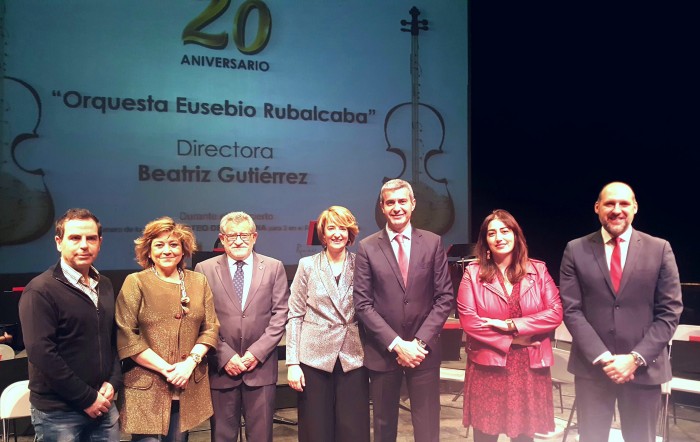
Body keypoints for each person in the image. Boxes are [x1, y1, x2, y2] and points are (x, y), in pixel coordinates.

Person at [559, 181, 683, 442]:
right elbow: (572, 310)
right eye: (609, 203)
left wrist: (634, 359)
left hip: (643, 369)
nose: (617, 210)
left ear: (635, 207)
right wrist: (604, 358)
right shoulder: (575, 249)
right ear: (597, 208)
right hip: (593, 370)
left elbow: (669, 312)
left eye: (624, 203)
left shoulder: (660, 249)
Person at [353, 178, 454, 442]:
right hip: (384, 352)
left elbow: (444, 298)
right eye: (390, 203)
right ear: (382, 207)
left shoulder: (432, 243)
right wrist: (398, 345)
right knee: (384, 426)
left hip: (424, 353)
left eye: (402, 201)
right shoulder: (367, 247)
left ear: (413, 204)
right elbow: (363, 304)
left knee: (428, 424)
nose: (396, 208)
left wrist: (417, 344)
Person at [456, 209, 563, 441]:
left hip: (529, 367)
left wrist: (511, 325)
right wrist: (512, 340)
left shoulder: (538, 270)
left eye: (505, 231)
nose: (499, 238)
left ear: (516, 235)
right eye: (492, 233)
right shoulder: (472, 274)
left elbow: (555, 313)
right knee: (485, 434)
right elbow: (470, 321)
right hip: (488, 365)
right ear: (485, 241)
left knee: (524, 436)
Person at [19, 208, 122, 441]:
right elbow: (42, 354)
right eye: (75, 238)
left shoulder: (104, 284)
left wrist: (113, 382)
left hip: (104, 406)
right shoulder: (40, 290)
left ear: (100, 242)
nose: (84, 245)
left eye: (91, 238)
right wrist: (87, 398)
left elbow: (112, 340)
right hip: (59, 413)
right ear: (59, 242)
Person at [115, 216, 219, 440]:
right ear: (149, 251)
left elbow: (211, 328)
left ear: (184, 250)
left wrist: (190, 364)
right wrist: (168, 370)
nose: (167, 250)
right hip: (146, 388)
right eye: (159, 245)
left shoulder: (198, 281)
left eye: (174, 244)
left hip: (187, 384)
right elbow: (127, 335)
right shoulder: (136, 282)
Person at [194, 211, 290, 442]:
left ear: (254, 237)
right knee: (222, 435)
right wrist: (225, 356)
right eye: (232, 235)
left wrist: (255, 354)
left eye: (244, 235)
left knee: (260, 436)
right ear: (222, 238)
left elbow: (280, 315)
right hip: (221, 367)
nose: (238, 240)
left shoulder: (274, 267)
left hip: (261, 368)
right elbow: (201, 318)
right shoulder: (204, 269)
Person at [286, 206, 370, 442]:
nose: (337, 233)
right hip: (314, 359)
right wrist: (292, 362)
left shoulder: (362, 264)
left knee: (353, 429)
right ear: (322, 234)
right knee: (316, 429)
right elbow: (295, 314)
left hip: (352, 357)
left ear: (350, 233)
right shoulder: (308, 265)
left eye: (342, 228)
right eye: (331, 228)